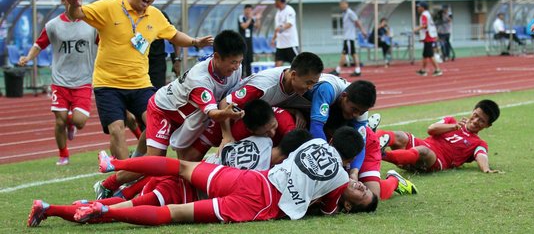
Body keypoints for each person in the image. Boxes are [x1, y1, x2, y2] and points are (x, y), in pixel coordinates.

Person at [71, 127, 376, 226]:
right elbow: (327, 208)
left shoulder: (313, 141)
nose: (357, 184)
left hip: (251, 179)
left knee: (179, 168)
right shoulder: (338, 182)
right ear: (349, 159)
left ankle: (115, 166)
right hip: (261, 200)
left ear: (333, 140)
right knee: (172, 211)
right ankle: (107, 208)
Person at [63, 0, 213, 160]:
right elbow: (77, 14)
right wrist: (73, 5)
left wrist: (195, 42)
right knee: (117, 129)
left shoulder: (156, 15)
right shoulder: (109, 7)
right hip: (108, 84)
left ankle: (136, 161)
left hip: (140, 84)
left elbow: (174, 35)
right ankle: (123, 178)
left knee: (156, 125)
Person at [27, 129, 309, 228]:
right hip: (181, 192)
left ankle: (113, 167)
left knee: (174, 166)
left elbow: (224, 147)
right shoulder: (274, 175)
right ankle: (98, 206)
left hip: (193, 173)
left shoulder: (258, 142)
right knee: (121, 211)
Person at [93, 30, 244, 199]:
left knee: (183, 164)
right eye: (233, 62)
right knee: (156, 162)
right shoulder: (200, 79)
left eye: (239, 62)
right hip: (164, 110)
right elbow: (215, 114)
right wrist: (227, 114)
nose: (236, 67)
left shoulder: (236, 70)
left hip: (189, 117)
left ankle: (129, 187)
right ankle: (108, 184)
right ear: (217, 57)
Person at [18, 0, 98, 166]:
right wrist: (27, 57)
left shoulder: (92, 24)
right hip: (60, 80)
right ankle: (63, 154)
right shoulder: (53, 25)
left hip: (83, 80)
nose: (76, 0)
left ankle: (72, 125)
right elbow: (39, 44)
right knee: (59, 120)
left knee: (79, 122)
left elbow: (106, 43)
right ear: (63, 0)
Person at [378, 100, 502, 173]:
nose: (475, 121)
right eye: (475, 115)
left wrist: (486, 169)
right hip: (422, 143)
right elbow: (431, 129)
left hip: (436, 160)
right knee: (400, 135)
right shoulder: (450, 121)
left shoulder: (478, 143)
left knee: (423, 151)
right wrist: (453, 127)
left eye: (481, 121)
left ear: (488, 125)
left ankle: (380, 154)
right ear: (472, 111)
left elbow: (481, 155)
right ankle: (371, 139)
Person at [108, 0, 144, 141]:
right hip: (110, 78)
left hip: (134, 76)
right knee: (118, 123)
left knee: (132, 118)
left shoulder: (139, 13)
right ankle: (124, 157)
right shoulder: (106, 12)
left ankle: (139, 149)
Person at [330, 0, 367, 77]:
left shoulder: (350, 13)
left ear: (347, 4)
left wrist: (363, 31)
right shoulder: (345, 13)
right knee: (353, 54)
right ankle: (357, 70)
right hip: (348, 37)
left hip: (349, 38)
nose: (342, 6)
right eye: (341, 5)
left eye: (343, 4)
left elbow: (357, 21)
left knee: (345, 53)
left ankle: (338, 70)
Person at [414, 1, 442, 77]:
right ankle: (423, 70)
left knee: (429, 54)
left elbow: (424, 26)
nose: (417, 8)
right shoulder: (427, 14)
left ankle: (437, 69)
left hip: (428, 37)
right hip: (428, 36)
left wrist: (416, 29)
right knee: (425, 55)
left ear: (423, 8)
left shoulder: (424, 15)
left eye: (419, 7)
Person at [271, 0, 299, 67]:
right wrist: (273, 39)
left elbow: (289, 24)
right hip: (280, 45)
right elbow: (276, 28)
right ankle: (278, 78)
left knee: (296, 65)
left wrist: (281, 28)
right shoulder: (278, 13)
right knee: (277, 66)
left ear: (280, 1)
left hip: (290, 43)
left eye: (275, 1)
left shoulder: (289, 10)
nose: (274, 3)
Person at [238, 4, 260, 77]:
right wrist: (250, 18)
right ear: (244, 10)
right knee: (242, 60)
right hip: (242, 42)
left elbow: (257, 27)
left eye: (250, 10)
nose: (248, 12)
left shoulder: (252, 19)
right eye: (247, 10)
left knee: (249, 60)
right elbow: (244, 26)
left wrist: (258, 19)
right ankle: (240, 77)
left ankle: (249, 77)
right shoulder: (241, 17)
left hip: (249, 42)